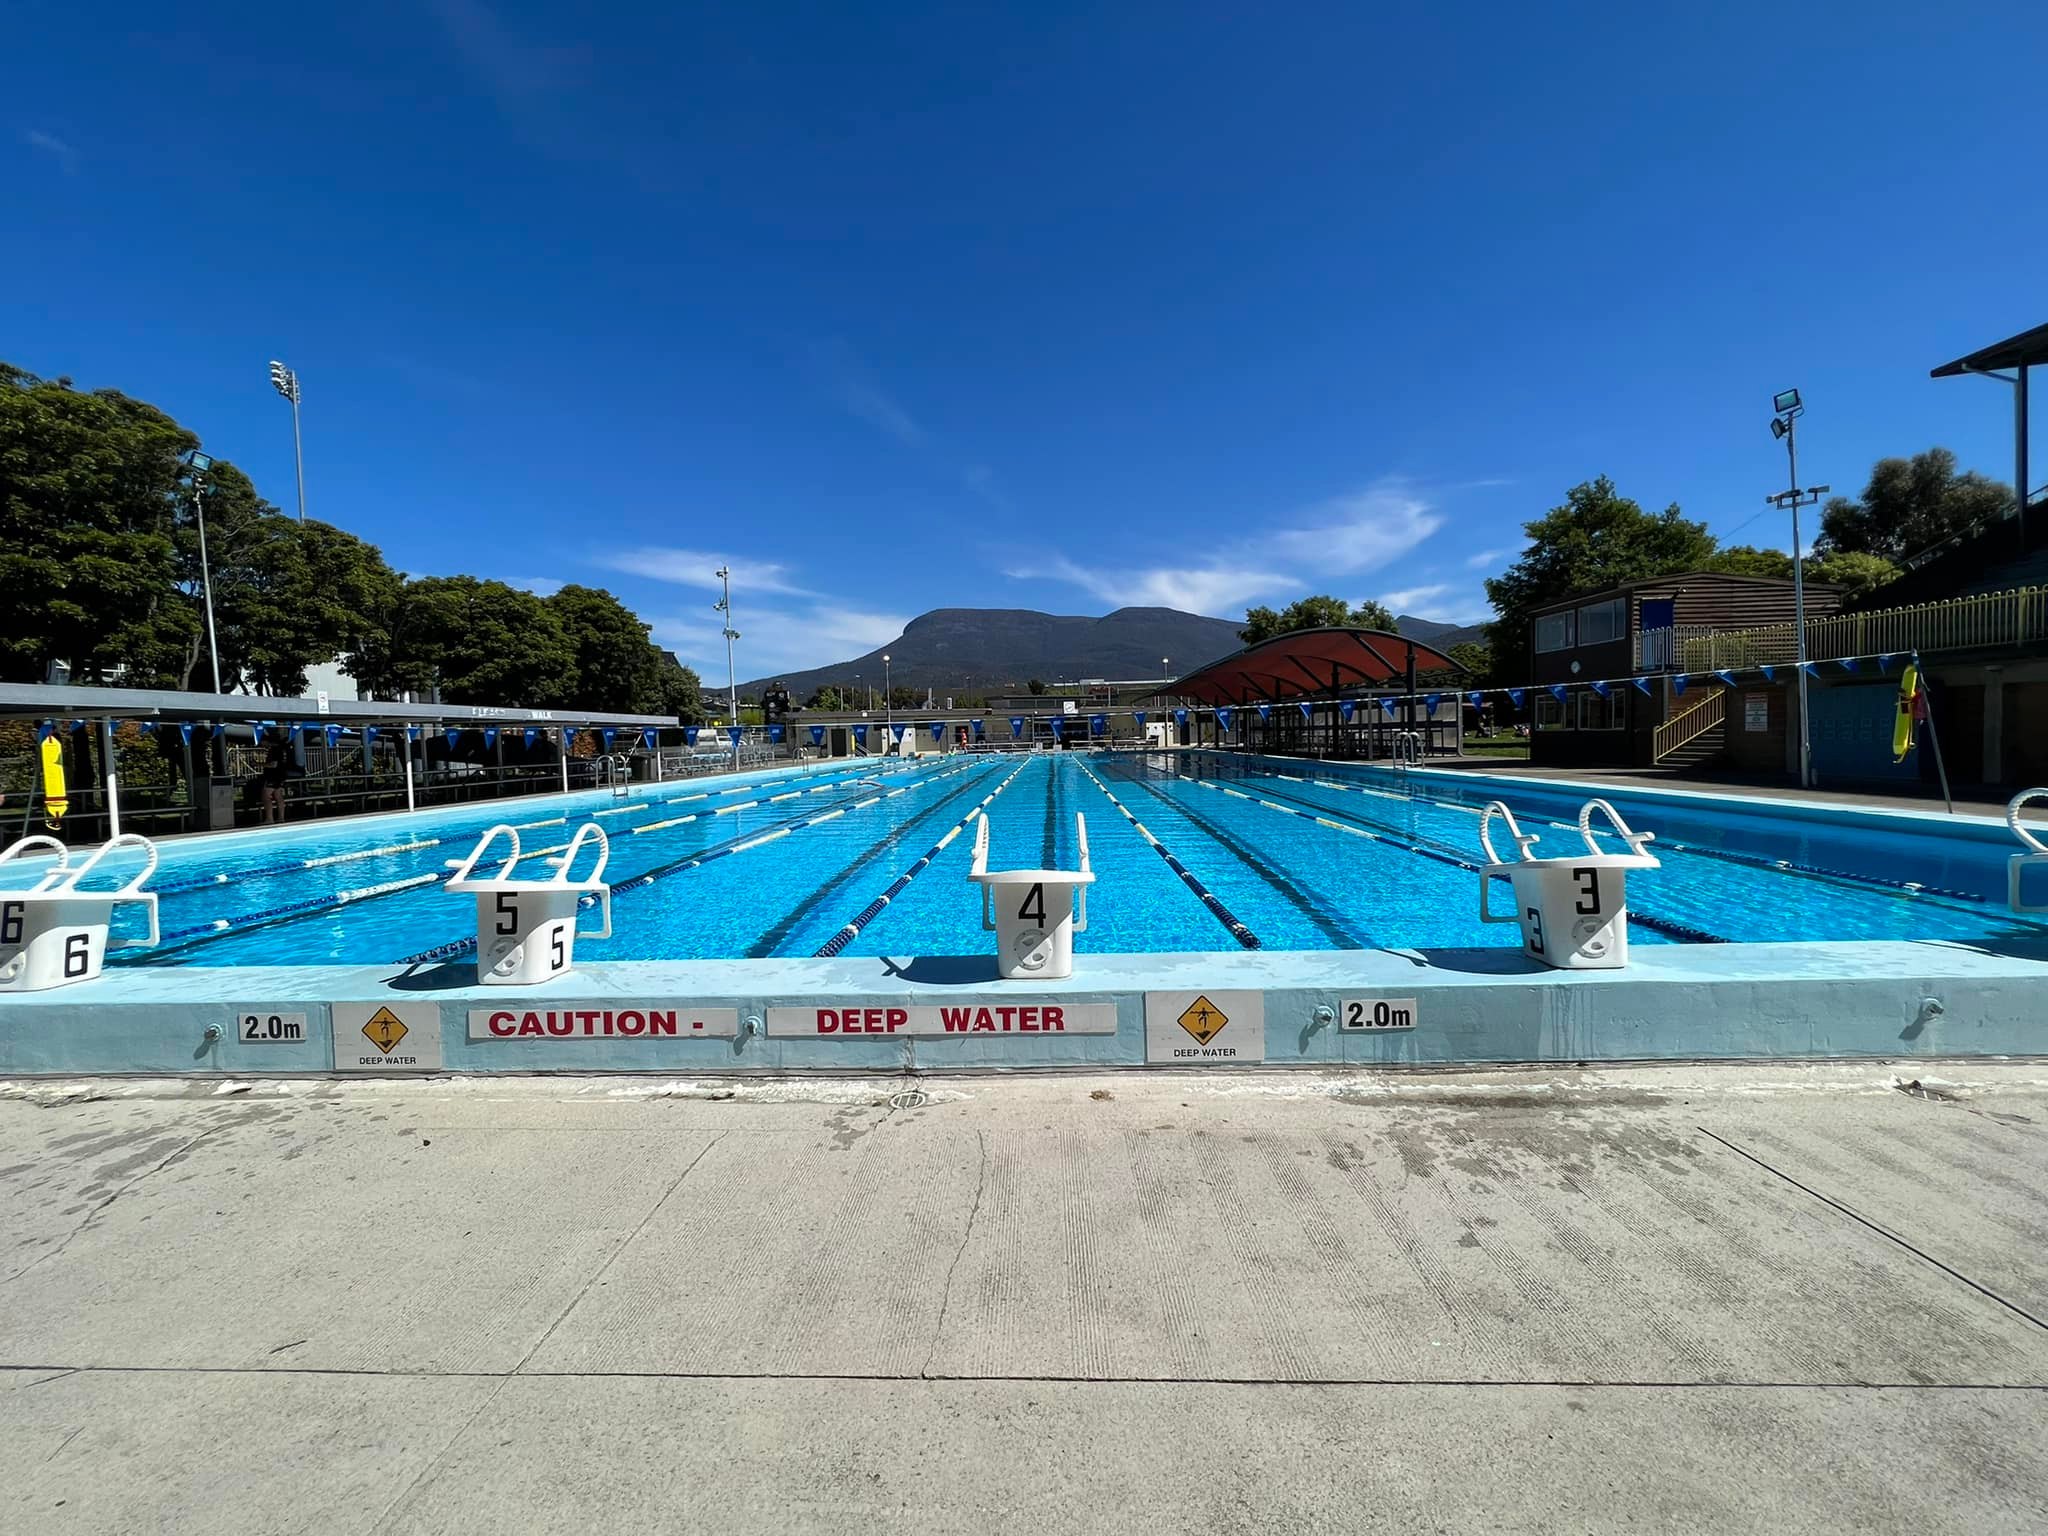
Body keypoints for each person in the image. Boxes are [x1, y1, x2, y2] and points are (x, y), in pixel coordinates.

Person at [260, 730, 290, 824]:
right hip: (281, 775)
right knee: (278, 795)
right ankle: (281, 818)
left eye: (262, 742)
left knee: (265, 796)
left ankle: (269, 818)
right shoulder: (282, 748)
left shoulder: (274, 749)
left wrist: (258, 764)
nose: (261, 744)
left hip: (273, 776)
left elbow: (273, 764)